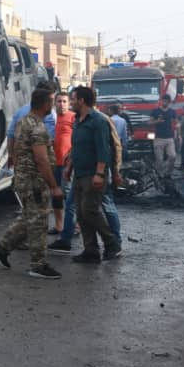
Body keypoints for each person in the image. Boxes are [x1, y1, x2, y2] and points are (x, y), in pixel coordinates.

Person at [0, 87, 63, 279]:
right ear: (45, 104)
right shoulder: (37, 127)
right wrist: (54, 186)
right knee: (39, 222)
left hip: (24, 178)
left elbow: (13, 143)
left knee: (29, 217)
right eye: (52, 101)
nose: (53, 105)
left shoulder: (23, 121)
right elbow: (42, 160)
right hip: (34, 182)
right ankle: (38, 265)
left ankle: (2, 248)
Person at [66, 85, 121, 263]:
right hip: (79, 174)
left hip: (93, 175)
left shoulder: (98, 121)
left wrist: (100, 173)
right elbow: (76, 147)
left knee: (89, 210)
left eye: (73, 99)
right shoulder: (77, 120)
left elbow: (104, 149)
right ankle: (91, 250)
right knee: (81, 215)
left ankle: (112, 243)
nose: (71, 103)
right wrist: (68, 168)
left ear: (81, 101)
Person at [6, 82, 57, 169]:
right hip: (38, 170)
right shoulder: (48, 114)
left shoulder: (20, 111)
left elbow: (10, 136)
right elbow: (48, 143)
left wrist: (11, 156)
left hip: (21, 167)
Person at [51, 91, 75, 234]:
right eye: (59, 101)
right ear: (55, 103)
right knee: (56, 195)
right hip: (54, 163)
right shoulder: (51, 118)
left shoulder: (73, 117)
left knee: (69, 195)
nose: (62, 104)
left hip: (68, 163)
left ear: (69, 103)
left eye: (64, 101)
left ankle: (74, 225)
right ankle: (59, 226)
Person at [150, 94, 178, 176]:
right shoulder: (155, 111)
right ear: (161, 101)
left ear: (169, 102)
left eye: (167, 101)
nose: (165, 102)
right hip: (158, 138)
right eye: (164, 100)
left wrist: (178, 134)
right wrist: (157, 121)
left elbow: (177, 123)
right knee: (159, 159)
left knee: (173, 156)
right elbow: (149, 122)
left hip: (169, 138)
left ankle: (168, 172)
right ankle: (159, 175)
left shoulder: (172, 112)